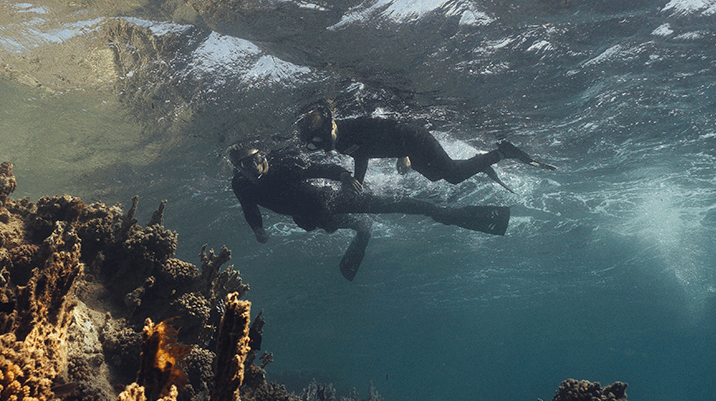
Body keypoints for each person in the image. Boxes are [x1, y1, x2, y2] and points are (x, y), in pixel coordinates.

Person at [228, 141, 510, 281]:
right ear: (238, 169)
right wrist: (257, 228)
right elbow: (248, 207)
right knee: (339, 226)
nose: (253, 166)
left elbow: (319, 168)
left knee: (400, 205)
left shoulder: (284, 167)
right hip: (307, 217)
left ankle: (448, 214)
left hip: (331, 200)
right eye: (245, 164)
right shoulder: (241, 185)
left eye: (256, 159)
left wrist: (343, 176)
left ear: (262, 155)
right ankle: (363, 230)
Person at [297, 101, 556, 193]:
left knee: (453, 176)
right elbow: (361, 154)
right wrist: (357, 181)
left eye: (321, 143)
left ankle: (502, 153)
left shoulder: (354, 126)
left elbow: (393, 127)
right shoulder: (341, 140)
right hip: (406, 146)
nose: (323, 149)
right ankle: (483, 161)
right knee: (435, 175)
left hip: (413, 139)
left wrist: (404, 153)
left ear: (329, 128)